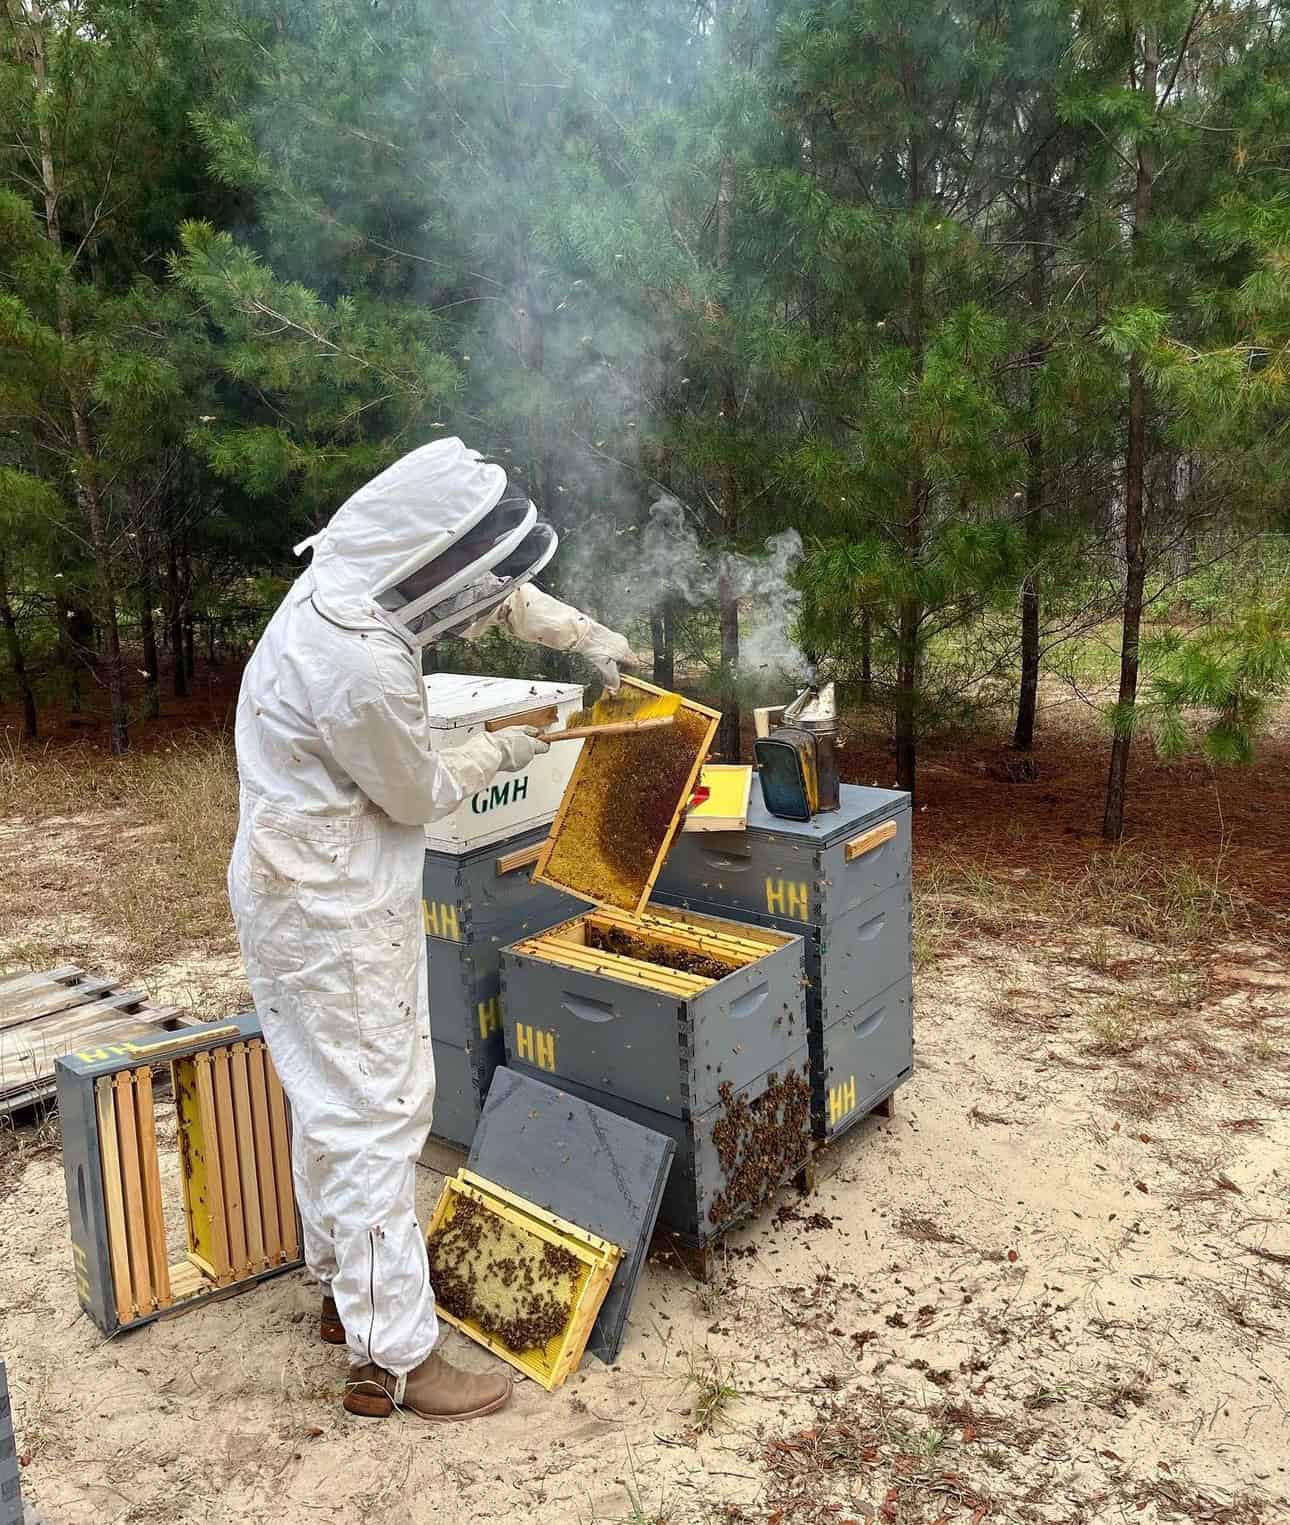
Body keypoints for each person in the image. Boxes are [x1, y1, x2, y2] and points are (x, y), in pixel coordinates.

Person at [227, 438, 632, 1422]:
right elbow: (416, 791)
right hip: (332, 906)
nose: (467, 587)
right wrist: (503, 743)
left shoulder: (353, 584)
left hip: (297, 888)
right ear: (420, 552)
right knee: (380, 1114)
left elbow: (489, 589)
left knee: (328, 1100)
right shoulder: (355, 659)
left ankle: (343, 1291)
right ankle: (397, 1357)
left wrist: (584, 634)